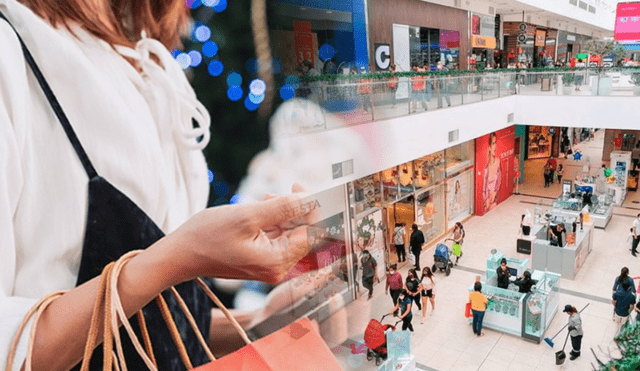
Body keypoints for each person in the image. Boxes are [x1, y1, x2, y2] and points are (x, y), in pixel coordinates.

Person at [0, 2, 323, 370]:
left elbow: (151, 331)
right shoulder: (12, 52)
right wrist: (178, 257)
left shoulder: (150, 59)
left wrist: (260, 324)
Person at [483, 132, 502, 212]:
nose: (495, 146)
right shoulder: (486, 169)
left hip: (494, 199)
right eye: (493, 143)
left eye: (495, 143)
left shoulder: (498, 162)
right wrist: (486, 199)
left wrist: (495, 194)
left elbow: (499, 181)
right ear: (489, 147)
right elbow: (484, 188)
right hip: (487, 202)